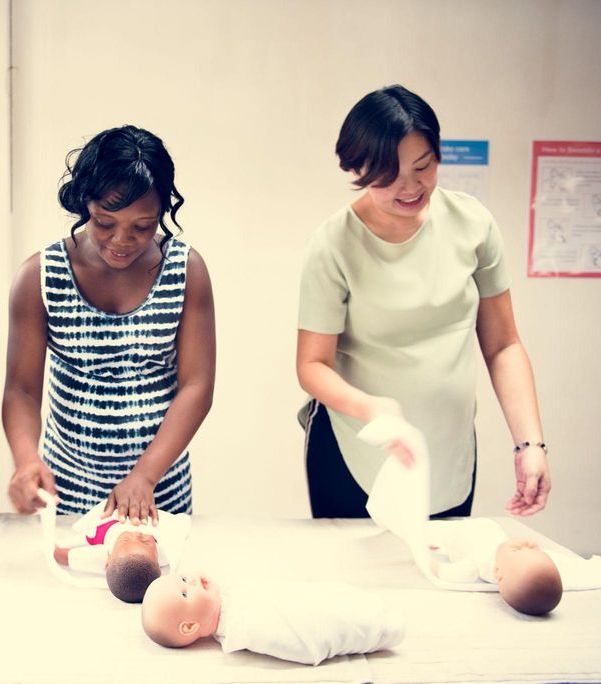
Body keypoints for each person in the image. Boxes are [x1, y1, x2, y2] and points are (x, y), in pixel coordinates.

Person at [296, 84, 550, 519]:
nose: (410, 187)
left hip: (447, 447)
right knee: (356, 580)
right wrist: (371, 408)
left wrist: (530, 443)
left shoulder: (473, 225)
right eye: (388, 175)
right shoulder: (333, 244)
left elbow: (503, 344)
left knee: (439, 578)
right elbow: (311, 365)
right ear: (357, 168)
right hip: (356, 445)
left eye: (424, 166)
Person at [3, 125, 215, 523]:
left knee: (155, 585)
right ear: (85, 203)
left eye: (142, 225)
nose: (122, 240)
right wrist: (26, 459)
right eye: (105, 222)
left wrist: (145, 476)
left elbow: (197, 386)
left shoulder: (186, 270)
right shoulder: (39, 276)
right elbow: (22, 390)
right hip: (64, 487)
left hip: (159, 491)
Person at [141, 571, 405, 665]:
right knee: (340, 616)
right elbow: (298, 637)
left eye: (184, 577)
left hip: (320, 596)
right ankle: (378, 626)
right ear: (190, 627)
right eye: (186, 591)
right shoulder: (241, 628)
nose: (193, 580)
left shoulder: (232, 596)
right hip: (329, 618)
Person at [50, 496, 191, 602]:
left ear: (108, 561)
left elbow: (69, 557)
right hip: (149, 504)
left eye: (126, 540)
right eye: (145, 542)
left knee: (87, 535)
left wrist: (54, 551)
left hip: (106, 521)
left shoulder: (108, 557)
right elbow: (180, 527)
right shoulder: (165, 552)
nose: (136, 534)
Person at [427, 518, 562, 616]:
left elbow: (445, 572)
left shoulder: (477, 566)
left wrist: (427, 560)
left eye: (516, 550)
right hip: (480, 526)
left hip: (452, 533)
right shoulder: (508, 563)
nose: (526, 545)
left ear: (497, 572)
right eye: (535, 550)